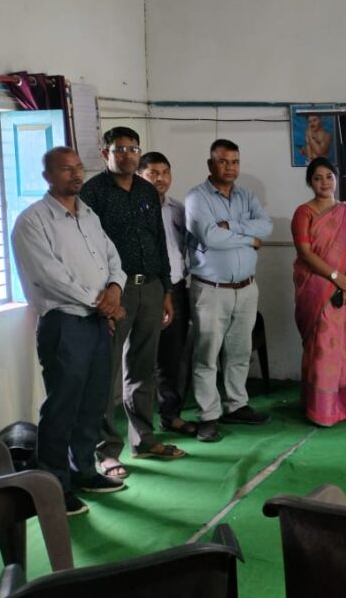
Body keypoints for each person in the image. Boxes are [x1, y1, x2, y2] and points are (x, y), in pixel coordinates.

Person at [11, 147, 128, 515]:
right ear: (47, 176)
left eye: (78, 168)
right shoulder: (32, 221)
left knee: (93, 403)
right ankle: (54, 486)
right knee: (62, 405)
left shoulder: (88, 215)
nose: (76, 175)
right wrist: (102, 302)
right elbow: (50, 276)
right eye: (66, 169)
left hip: (96, 322)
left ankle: (83, 471)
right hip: (64, 323)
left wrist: (115, 288)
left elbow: (113, 258)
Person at [81, 127, 184, 476]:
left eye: (133, 149)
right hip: (114, 292)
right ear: (105, 153)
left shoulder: (146, 190)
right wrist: (103, 296)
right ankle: (106, 451)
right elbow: (89, 248)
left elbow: (159, 241)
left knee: (142, 368)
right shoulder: (93, 192)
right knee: (106, 371)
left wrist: (166, 290)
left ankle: (143, 439)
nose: (127, 155)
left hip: (150, 287)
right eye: (120, 149)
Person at [186, 139, 274, 442]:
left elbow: (266, 226)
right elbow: (211, 237)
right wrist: (248, 237)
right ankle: (208, 416)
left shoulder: (246, 195)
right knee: (207, 355)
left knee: (239, 352)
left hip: (247, 288)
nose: (230, 167)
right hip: (211, 290)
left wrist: (231, 226)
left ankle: (236, 405)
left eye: (235, 162)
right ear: (210, 164)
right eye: (223, 161)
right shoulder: (196, 197)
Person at [292, 157, 346, 426]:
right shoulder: (304, 213)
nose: (324, 182)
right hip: (318, 288)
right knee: (324, 348)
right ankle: (322, 409)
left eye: (329, 177)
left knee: (345, 347)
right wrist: (336, 277)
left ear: (336, 179)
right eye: (317, 178)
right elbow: (305, 253)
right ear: (310, 182)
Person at [138, 151, 196, 437]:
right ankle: (140, 427)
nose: (160, 179)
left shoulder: (177, 209)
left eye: (164, 173)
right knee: (140, 360)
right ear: (140, 176)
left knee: (174, 357)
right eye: (152, 173)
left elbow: (185, 246)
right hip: (145, 290)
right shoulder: (134, 210)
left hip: (176, 287)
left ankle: (171, 415)